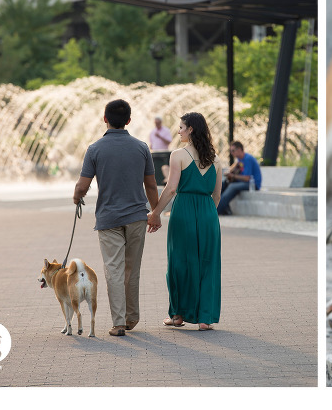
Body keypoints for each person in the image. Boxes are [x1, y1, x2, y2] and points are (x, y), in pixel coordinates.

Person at [73, 99, 162, 337]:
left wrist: (76, 197)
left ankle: (119, 322)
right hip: (137, 217)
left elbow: (83, 186)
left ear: (105, 119)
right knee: (132, 269)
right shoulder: (142, 147)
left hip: (109, 218)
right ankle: (132, 317)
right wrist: (155, 213)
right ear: (129, 121)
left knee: (114, 269)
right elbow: (151, 185)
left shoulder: (94, 149)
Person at [148, 112, 223, 330]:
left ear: (190, 129)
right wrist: (207, 216)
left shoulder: (178, 155)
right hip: (208, 214)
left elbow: (171, 189)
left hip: (183, 213)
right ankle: (205, 319)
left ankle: (178, 315)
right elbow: (217, 195)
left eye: (181, 127)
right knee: (208, 264)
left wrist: (155, 213)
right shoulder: (216, 159)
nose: (178, 131)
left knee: (179, 262)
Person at [217, 141, 262, 215]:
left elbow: (247, 178)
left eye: (233, 151)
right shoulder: (240, 159)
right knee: (223, 184)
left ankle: (217, 210)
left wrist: (233, 176)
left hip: (253, 184)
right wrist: (231, 171)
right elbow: (230, 171)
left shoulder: (247, 159)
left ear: (240, 149)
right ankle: (224, 209)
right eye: (231, 151)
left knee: (232, 186)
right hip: (244, 182)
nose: (232, 153)